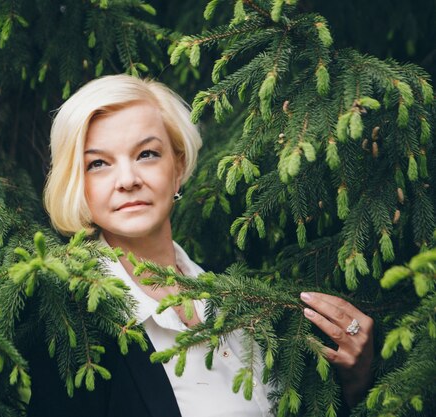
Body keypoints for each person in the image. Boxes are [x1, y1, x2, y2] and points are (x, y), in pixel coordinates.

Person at [28, 74, 374, 417]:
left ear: (177, 168)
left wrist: (353, 383)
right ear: (77, 182)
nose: (128, 180)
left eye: (147, 154)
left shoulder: (239, 299)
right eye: (98, 164)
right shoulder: (72, 327)